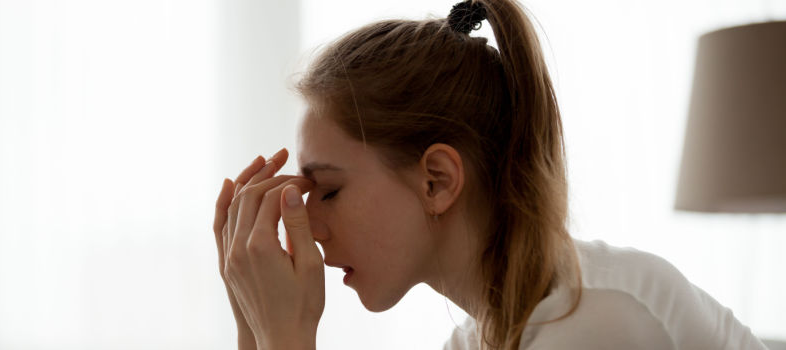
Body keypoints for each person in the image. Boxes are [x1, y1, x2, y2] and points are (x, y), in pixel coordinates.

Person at [210, 0, 768, 349]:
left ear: (437, 181)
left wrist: (286, 338)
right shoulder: (481, 339)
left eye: (327, 190)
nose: (309, 225)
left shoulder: (598, 324)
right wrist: (252, 326)